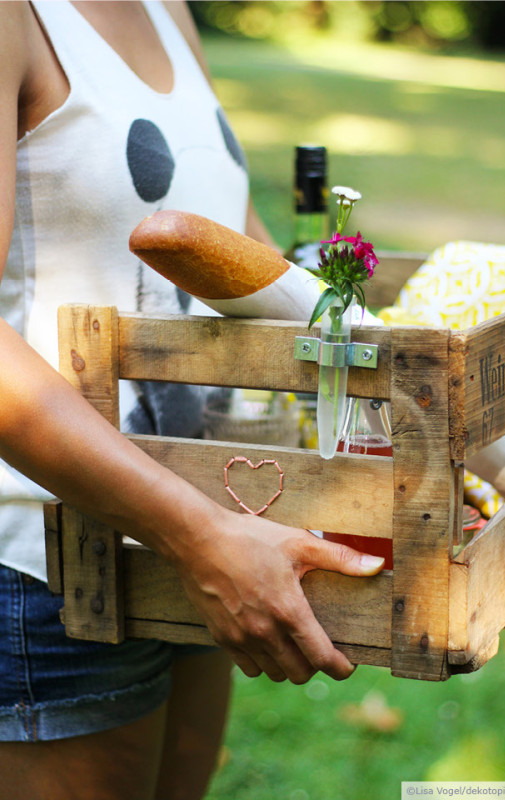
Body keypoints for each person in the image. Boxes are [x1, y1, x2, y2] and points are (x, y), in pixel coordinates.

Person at [0, 2, 384, 799]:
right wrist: (196, 534)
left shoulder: (165, 7)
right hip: (54, 565)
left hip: (211, 533)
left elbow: (252, 270)